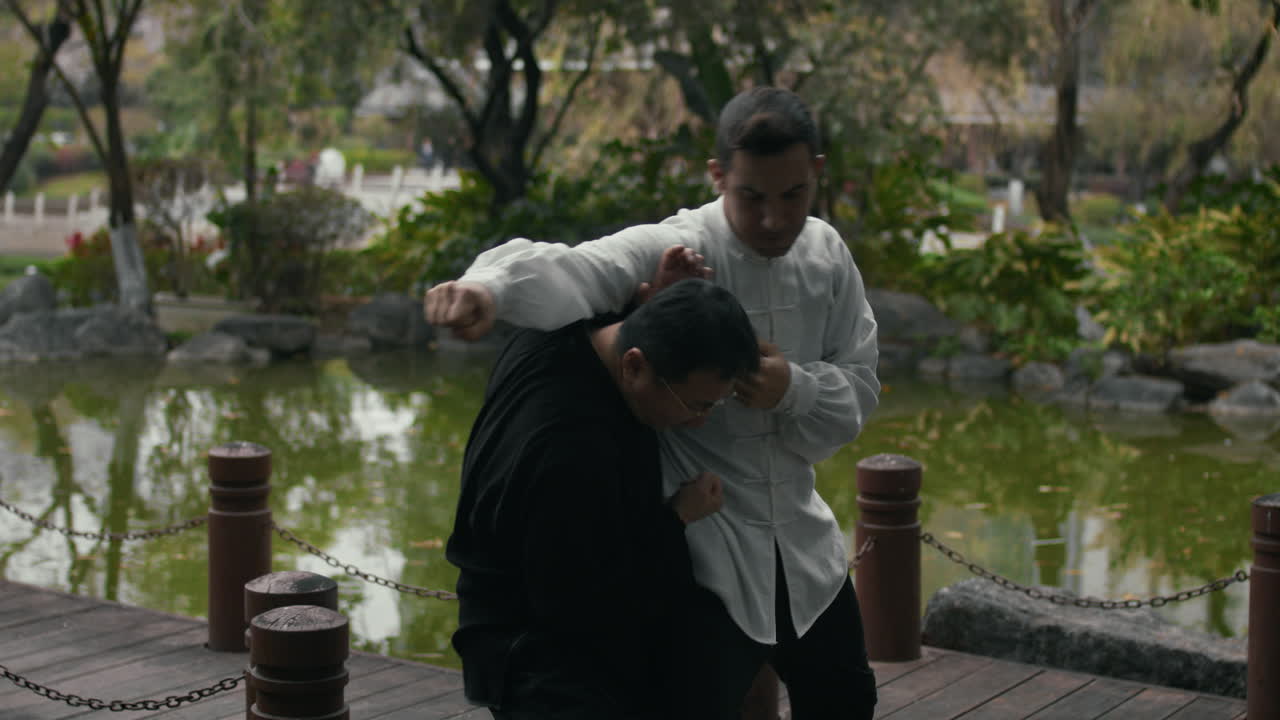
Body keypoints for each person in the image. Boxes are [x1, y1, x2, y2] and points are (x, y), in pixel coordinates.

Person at [428, 86, 880, 719]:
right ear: (718, 175)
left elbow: (858, 394)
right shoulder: (681, 244)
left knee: (847, 699)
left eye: (793, 196)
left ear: (818, 175)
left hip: (805, 543)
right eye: (752, 197)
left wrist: (793, 389)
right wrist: (488, 289)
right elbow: (579, 270)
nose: (774, 219)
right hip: (705, 553)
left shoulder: (829, 256)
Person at [446, 278, 761, 719]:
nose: (699, 420)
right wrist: (677, 516)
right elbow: (588, 605)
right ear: (634, 366)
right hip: (538, 657)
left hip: (521, 609)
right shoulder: (572, 451)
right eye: (695, 404)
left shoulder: (551, 335)